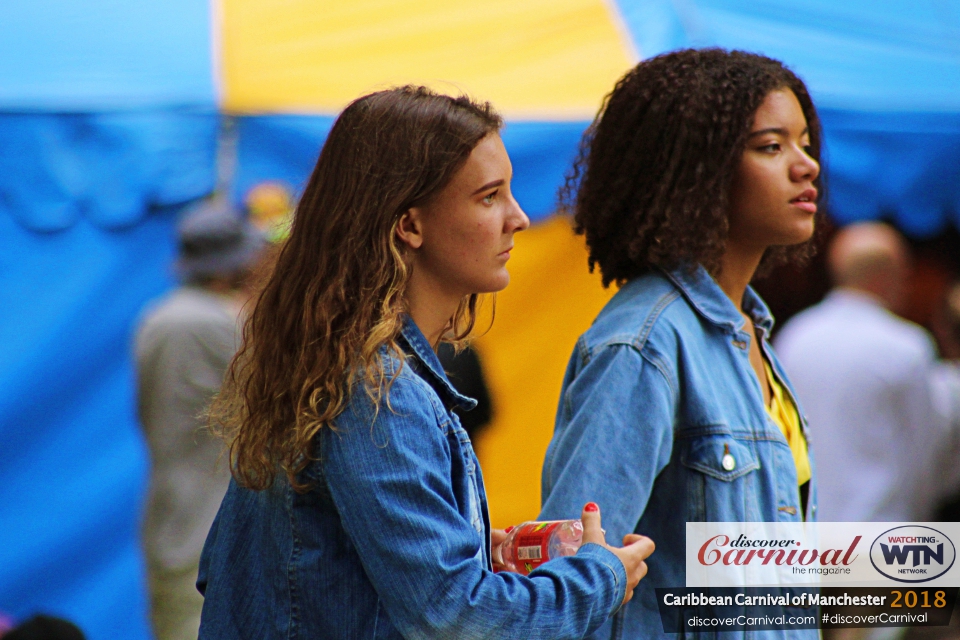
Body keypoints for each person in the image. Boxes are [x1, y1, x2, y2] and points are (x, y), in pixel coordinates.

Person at [197, 86, 654, 639]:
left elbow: (250, 571)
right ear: (409, 225)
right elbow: (458, 616)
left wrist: (482, 550)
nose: (520, 218)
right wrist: (599, 576)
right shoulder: (377, 391)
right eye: (489, 196)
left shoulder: (340, 368)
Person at [539, 49, 822, 640]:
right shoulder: (643, 344)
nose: (806, 166)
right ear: (698, 168)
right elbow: (570, 578)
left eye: (804, 142)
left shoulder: (750, 331)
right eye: (771, 146)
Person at [135, 199, 265, 640]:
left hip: (170, 511)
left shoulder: (156, 317)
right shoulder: (215, 323)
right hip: (211, 519)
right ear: (227, 266)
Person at [775, 222, 960, 523]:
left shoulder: (793, 337)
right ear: (894, 274)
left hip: (808, 527)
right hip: (881, 530)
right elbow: (926, 453)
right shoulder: (905, 346)